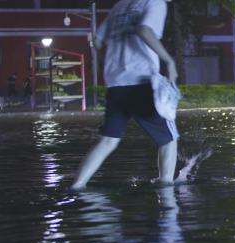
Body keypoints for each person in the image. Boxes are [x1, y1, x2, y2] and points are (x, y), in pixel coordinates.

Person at [70, 0, 178, 190]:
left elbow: (96, 40)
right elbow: (145, 30)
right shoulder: (155, 2)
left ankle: (77, 185)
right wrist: (169, 62)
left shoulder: (120, 6)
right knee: (169, 139)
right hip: (142, 81)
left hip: (115, 83)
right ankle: (167, 191)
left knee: (108, 140)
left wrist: (113, 62)